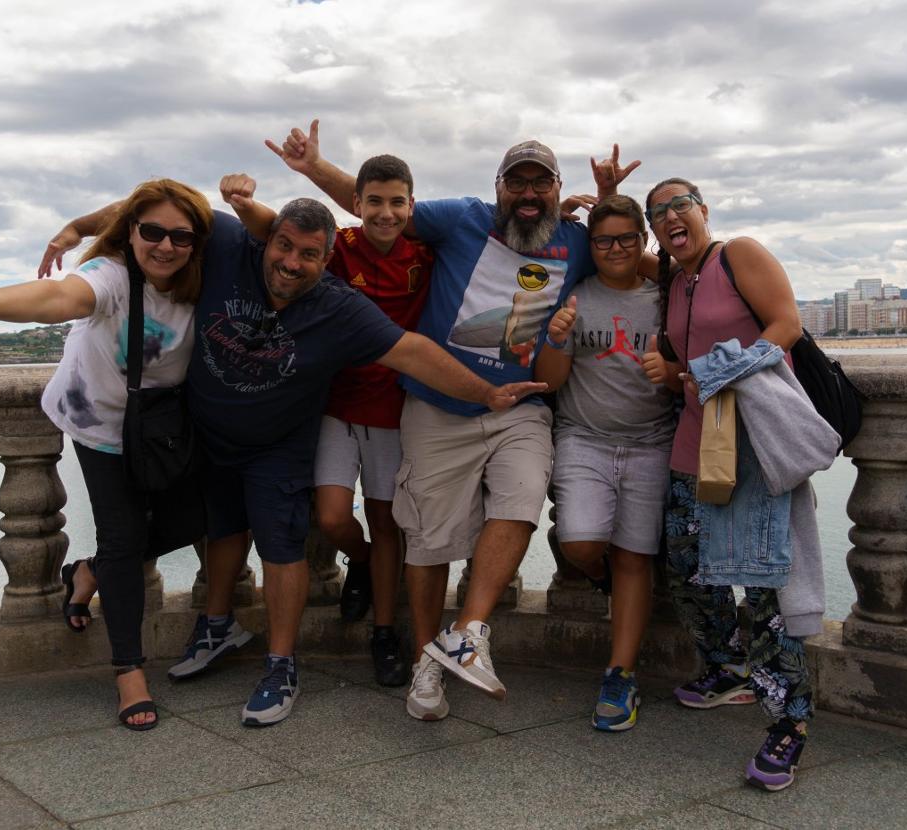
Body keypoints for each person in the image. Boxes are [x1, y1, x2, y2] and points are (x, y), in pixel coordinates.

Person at [40, 194, 544, 727]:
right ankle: (217, 626)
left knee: (282, 548)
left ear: (326, 260)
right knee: (221, 526)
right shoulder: (232, 244)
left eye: (308, 253)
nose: (290, 262)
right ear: (267, 240)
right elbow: (161, 203)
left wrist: (487, 394)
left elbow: (412, 351)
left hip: (278, 446)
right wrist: (77, 227)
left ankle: (281, 665)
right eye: (283, 245)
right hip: (207, 437)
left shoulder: (339, 306)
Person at [268, 120, 648, 720]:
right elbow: (381, 212)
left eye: (540, 183)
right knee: (429, 539)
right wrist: (314, 167)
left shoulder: (576, 243)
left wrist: (608, 206)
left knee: (521, 501)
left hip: (521, 405)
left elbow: (635, 264)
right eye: (515, 182)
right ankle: (427, 663)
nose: (528, 194)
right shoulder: (463, 218)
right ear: (497, 187)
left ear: (556, 189)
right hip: (437, 407)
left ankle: (468, 633)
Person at [0, 179, 217, 731]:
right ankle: (128, 670)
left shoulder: (202, 277)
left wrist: (76, 225)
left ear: (198, 241)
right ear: (131, 232)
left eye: (180, 236)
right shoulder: (110, 276)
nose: (165, 245)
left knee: (199, 517)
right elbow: (58, 299)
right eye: (151, 231)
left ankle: (87, 570)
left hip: (160, 428)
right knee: (125, 539)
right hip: (97, 422)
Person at [220, 153, 433, 689]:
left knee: (387, 523)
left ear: (411, 204)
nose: (386, 213)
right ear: (356, 204)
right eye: (374, 202)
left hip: (392, 412)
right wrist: (245, 204)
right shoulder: (341, 247)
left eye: (397, 202)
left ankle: (384, 630)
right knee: (335, 518)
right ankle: (358, 564)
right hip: (336, 406)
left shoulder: (427, 254)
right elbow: (281, 233)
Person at [640, 177, 817, 790]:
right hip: (695, 446)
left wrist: (706, 374)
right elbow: (611, 254)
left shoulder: (738, 254)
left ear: (704, 211)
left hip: (752, 446)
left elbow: (785, 326)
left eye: (679, 205)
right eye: (656, 213)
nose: (669, 217)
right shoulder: (674, 280)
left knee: (765, 589)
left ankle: (788, 725)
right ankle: (727, 667)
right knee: (686, 568)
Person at [533, 195, 674, 732]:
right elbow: (551, 381)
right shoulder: (575, 297)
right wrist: (557, 338)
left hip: (651, 442)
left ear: (642, 242)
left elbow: (687, 365)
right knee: (581, 544)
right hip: (584, 439)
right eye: (603, 240)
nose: (615, 249)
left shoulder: (663, 301)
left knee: (637, 559)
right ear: (591, 246)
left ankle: (621, 673)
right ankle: (611, 584)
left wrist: (674, 368)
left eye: (626, 239)